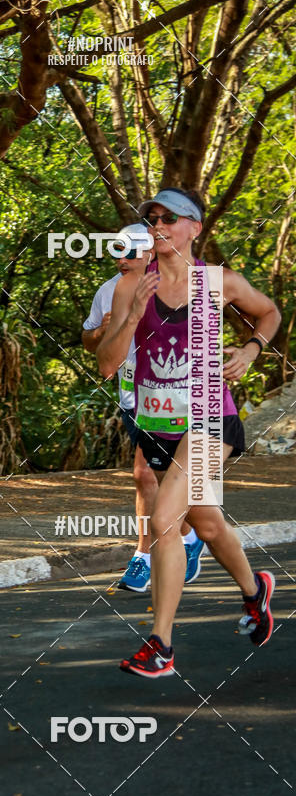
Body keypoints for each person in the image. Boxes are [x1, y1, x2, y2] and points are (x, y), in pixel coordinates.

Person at [97, 187, 281, 677]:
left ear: (194, 228)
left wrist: (250, 350)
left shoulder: (219, 282)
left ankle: (160, 646)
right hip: (157, 424)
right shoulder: (131, 284)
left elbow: (270, 312)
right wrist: (131, 316)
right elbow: (106, 364)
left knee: (162, 523)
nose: (157, 225)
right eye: (151, 218)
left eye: (169, 218)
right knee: (208, 524)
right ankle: (255, 591)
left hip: (209, 419)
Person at [83, 223, 204, 592]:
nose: (122, 259)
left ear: (150, 252)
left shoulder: (181, 285)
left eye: (130, 251)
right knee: (157, 478)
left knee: (145, 475)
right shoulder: (108, 291)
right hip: (132, 398)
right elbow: (88, 342)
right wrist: (101, 333)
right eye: (117, 251)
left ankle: (145, 555)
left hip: (177, 397)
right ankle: (190, 534)